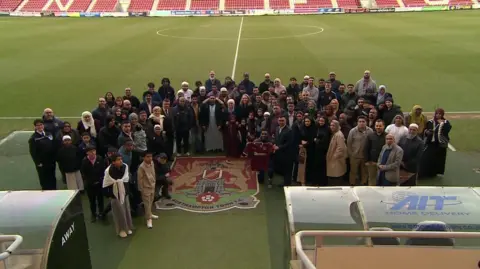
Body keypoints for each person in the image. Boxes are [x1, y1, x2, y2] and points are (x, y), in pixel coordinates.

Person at [103, 153, 134, 238]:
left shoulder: (125, 166)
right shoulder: (108, 171)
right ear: (113, 162)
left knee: (126, 210)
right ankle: (121, 230)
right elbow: (106, 183)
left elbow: (126, 179)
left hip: (124, 193)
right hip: (115, 195)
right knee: (118, 213)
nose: (121, 161)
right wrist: (110, 195)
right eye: (118, 159)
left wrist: (126, 192)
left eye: (121, 159)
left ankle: (127, 227)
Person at [419, 108, 452, 178]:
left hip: (440, 144)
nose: (438, 115)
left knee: (438, 159)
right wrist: (427, 132)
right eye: (437, 114)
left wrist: (442, 124)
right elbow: (425, 130)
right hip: (431, 143)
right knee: (427, 158)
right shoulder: (431, 121)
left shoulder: (446, 122)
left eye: (440, 114)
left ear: (442, 115)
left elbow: (447, 130)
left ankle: (435, 173)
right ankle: (427, 173)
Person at [28, 119, 58, 190]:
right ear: (35, 127)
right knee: (44, 178)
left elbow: (53, 146)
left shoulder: (49, 134)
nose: (40, 126)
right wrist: (38, 163)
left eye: (41, 125)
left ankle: (54, 190)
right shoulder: (33, 138)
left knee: (52, 176)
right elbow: (33, 152)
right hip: (42, 163)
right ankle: (46, 192)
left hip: (51, 161)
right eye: (37, 125)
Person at [80, 146, 106, 222]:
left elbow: (103, 170)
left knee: (100, 199)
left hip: (99, 183)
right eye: (90, 151)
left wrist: (100, 180)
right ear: (87, 153)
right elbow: (83, 173)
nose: (92, 153)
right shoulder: (84, 161)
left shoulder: (100, 159)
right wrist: (89, 181)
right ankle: (93, 214)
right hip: (90, 184)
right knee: (92, 201)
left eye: (94, 151)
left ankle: (102, 213)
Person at [347, 116, 373, 186]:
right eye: (360, 122)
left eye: (363, 122)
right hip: (354, 156)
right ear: (357, 123)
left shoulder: (370, 131)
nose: (361, 123)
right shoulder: (352, 131)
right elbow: (349, 143)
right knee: (353, 172)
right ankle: (352, 184)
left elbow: (371, 143)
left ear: (366, 122)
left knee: (364, 172)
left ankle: (363, 184)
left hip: (365, 156)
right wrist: (351, 154)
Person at [137, 152, 158, 229]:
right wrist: (141, 189)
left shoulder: (152, 163)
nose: (150, 158)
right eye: (148, 157)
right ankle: (148, 219)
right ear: (144, 157)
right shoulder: (141, 167)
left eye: (151, 156)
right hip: (145, 188)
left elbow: (153, 173)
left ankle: (150, 213)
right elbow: (140, 179)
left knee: (151, 201)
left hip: (152, 186)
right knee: (147, 204)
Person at [273, 115, 294, 187]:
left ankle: (287, 184)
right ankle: (285, 183)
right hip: (279, 153)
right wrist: (274, 145)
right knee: (282, 168)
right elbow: (276, 139)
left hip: (287, 153)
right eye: (280, 120)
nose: (281, 122)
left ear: (286, 121)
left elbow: (289, 143)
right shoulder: (277, 128)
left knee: (287, 169)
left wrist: (279, 147)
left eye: (282, 121)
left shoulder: (289, 130)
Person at [364, 119, 387, 186]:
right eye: (377, 126)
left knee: (382, 178)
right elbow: (366, 148)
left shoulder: (387, 136)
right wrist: (367, 160)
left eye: (380, 126)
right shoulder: (370, 136)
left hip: (383, 162)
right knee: (372, 178)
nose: (378, 127)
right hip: (372, 162)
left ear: (383, 126)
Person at [326, 120, 347, 186]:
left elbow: (341, 148)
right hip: (334, 159)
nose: (331, 127)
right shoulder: (336, 133)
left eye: (333, 125)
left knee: (336, 176)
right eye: (331, 125)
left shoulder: (339, 135)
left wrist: (334, 157)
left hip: (336, 160)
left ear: (337, 126)